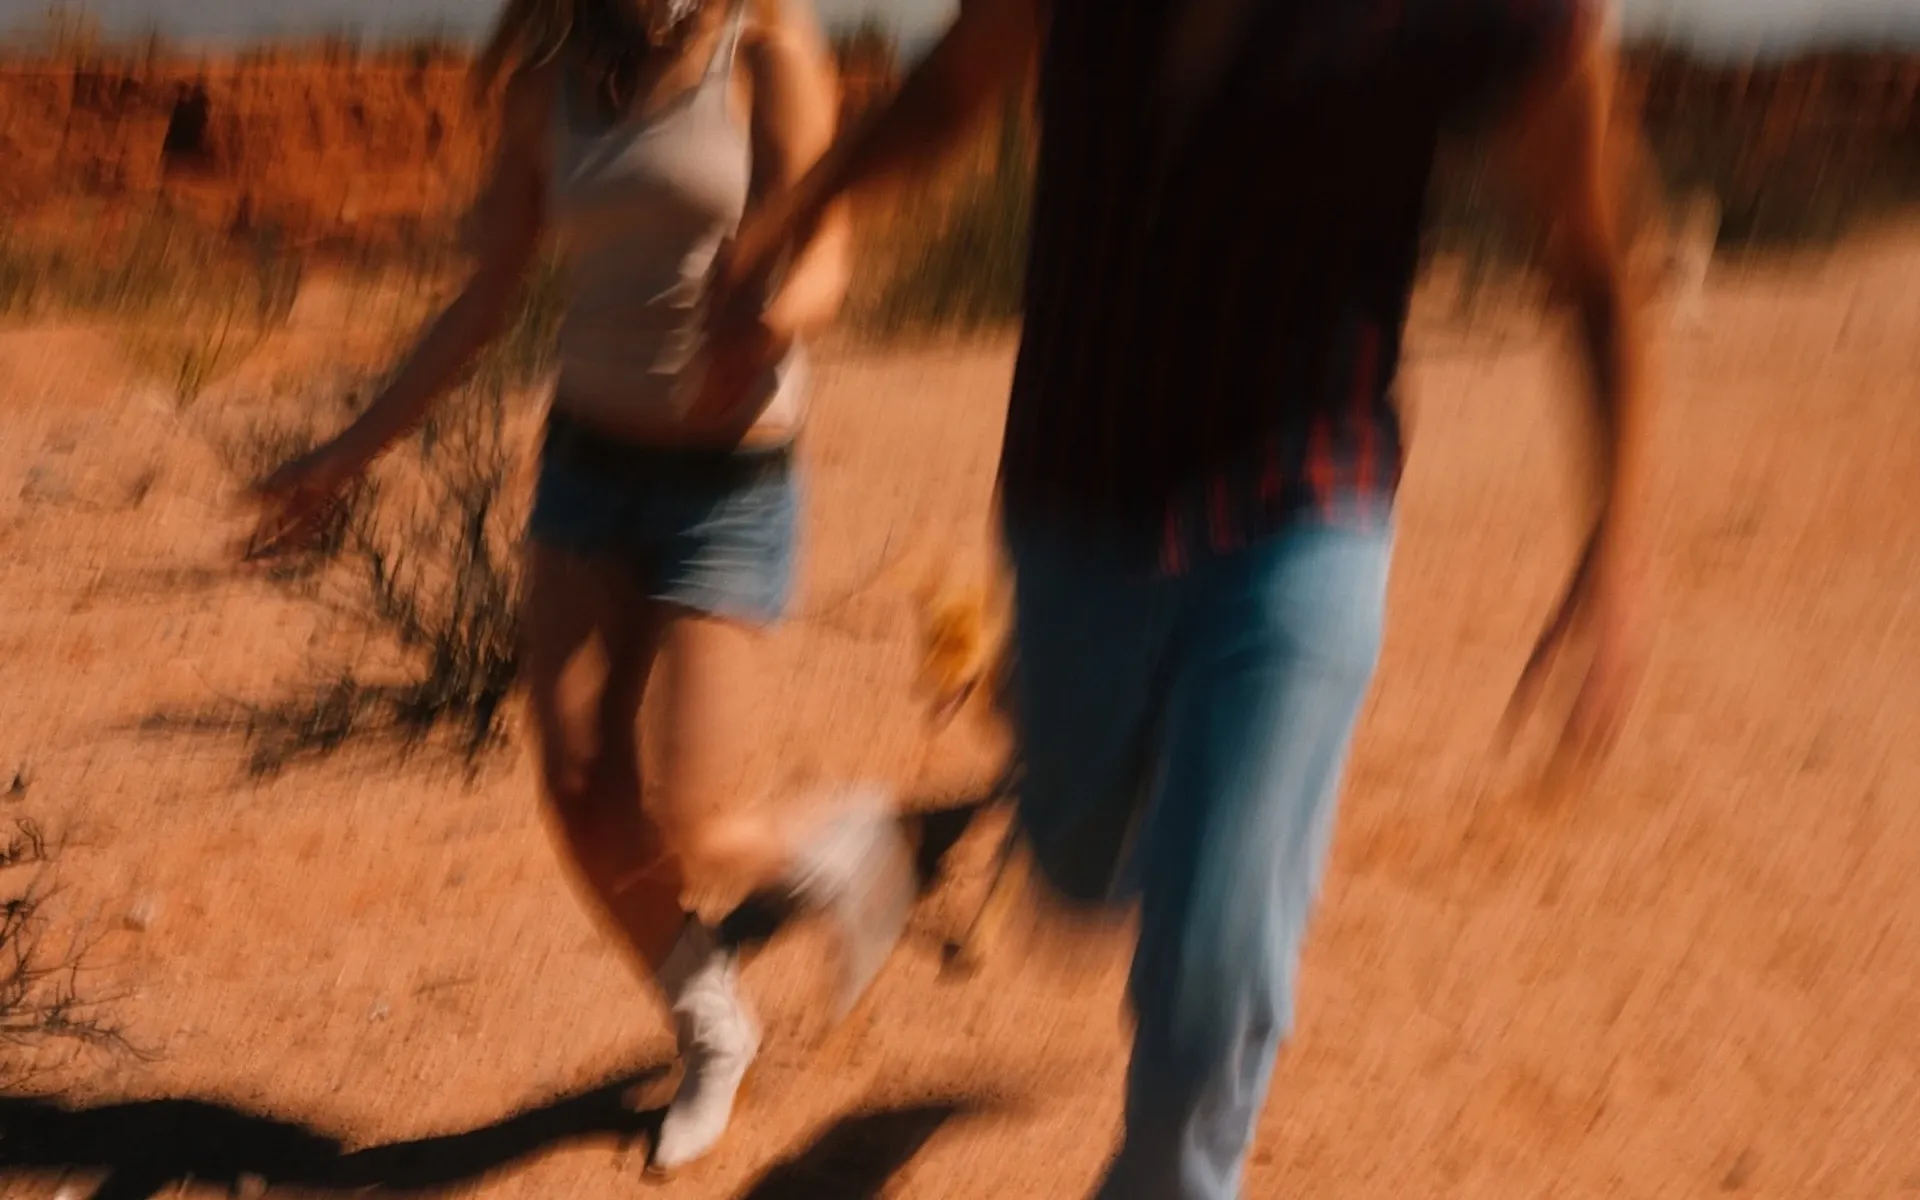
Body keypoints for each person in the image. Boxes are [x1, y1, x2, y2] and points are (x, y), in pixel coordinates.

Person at [715, 0, 1654, 1196]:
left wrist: (1615, 545)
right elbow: (956, 88)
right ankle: (1120, 794)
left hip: (1304, 507)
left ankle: (1173, 1167)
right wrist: (805, 206)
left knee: (1215, 961)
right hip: (1073, 496)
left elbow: (1590, 255)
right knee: (1076, 869)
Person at [244, 0, 916, 1176]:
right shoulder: (546, 79)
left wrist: (761, 328)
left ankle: (844, 846)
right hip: (589, 473)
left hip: (729, 482)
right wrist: (347, 452)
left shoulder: (769, 45)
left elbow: (827, 251)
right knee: (576, 791)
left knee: (694, 824)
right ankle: (712, 1020)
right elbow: (484, 300)